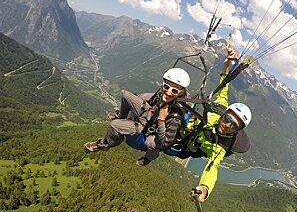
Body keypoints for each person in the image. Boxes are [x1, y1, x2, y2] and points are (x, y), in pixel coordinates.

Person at [174, 49, 252, 202]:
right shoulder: (219, 109)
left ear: (237, 131)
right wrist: (226, 64)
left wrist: (204, 188)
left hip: (184, 145)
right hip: (185, 128)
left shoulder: (220, 147)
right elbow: (224, 87)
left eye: (233, 126)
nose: (227, 125)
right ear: (225, 113)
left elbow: (212, 168)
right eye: (228, 118)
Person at [84, 68, 191, 166]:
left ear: (181, 92)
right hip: (151, 114)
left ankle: (104, 145)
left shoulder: (175, 116)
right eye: (166, 87)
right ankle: (121, 117)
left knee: (115, 126)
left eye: (174, 91)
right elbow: (150, 100)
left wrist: (161, 120)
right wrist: (139, 100)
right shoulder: (162, 94)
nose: (168, 92)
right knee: (125, 95)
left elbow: (166, 141)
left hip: (153, 127)